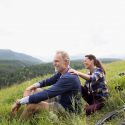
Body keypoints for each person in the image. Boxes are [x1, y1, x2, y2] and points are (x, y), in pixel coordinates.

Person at [11, 50, 82, 120]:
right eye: (54, 61)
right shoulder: (64, 71)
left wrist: (20, 101)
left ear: (66, 62)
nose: (54, 63)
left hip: (68, 111)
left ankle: (21, 120)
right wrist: (32, 86)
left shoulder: (69, 77)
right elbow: (49, 80)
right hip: (60, 100)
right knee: (36, 90)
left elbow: (47, 93)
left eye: (57, 61)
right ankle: (31, 115)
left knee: (32, 105)